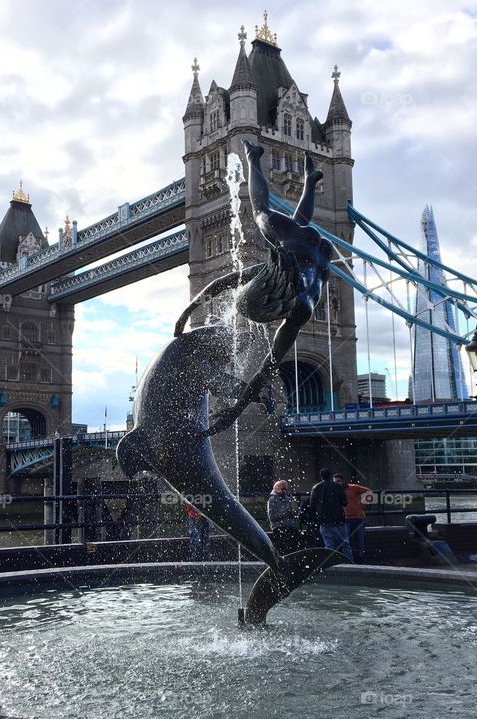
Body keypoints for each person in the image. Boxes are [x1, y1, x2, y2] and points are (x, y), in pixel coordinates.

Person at [174, 140, 341, 436]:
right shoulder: (276, 271)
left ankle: (301, 177)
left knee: (284, 220)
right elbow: (222, 284)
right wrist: (186, 313)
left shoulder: (301, 307)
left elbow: (267, 368)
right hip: (299, 249)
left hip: (322, 261)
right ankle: (256, 159)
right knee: (267, 215)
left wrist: (235, 410)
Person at [309, 468, 352, 561]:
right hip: (339, 519)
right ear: (330, 476)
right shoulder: (338, 486)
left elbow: (312, 505)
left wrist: (315, 518)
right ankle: (350, 563)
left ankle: (331, 565)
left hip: (325, 521)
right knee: (345, 544)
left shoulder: (316, 487)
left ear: (321, 477)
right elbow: (344, 503)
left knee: (329, 546)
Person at [340, 475, 371, 564]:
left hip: (358, 519)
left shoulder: (353, 487)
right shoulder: (337, 490)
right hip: (345, 519)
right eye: (335, 481)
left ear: (343, 481)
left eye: (339, 481)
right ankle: (349, 560)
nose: (337, 483)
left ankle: (360, 559)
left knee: (360, 541)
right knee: (346, 542)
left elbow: (368, 491)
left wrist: (364, 504)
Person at [267, 480, 302, 554]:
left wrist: (293, 513)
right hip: (279, 527)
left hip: (289, 526)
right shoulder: (272, 500)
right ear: (277, 488)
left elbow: (295, 516)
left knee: (297, 538)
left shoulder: (287, 499)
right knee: (286, 540)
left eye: (285, 489)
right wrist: (284, 511)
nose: (284, 491)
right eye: (282, 489)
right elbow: (272, 517)